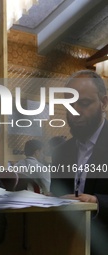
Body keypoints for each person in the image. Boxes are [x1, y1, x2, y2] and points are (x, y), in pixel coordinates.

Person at [51, 70, 108, 255]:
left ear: (104, 103)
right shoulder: (61, 152)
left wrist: (97, 203)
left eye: (84, 104)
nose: (75, 112)